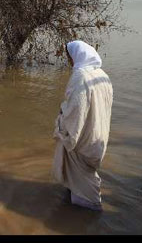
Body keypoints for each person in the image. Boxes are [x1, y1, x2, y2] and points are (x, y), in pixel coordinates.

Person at [52, 40, 113, 211]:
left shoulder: (80, 76)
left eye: (69, 57)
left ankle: (89, 209)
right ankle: (78, 206)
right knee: (85, 173)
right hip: (97, 134)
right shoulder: (102, 75)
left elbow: (76, 110)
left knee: (82, 181)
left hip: (82, 137)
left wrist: (62, 114)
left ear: (77, 55)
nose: (69, 60)